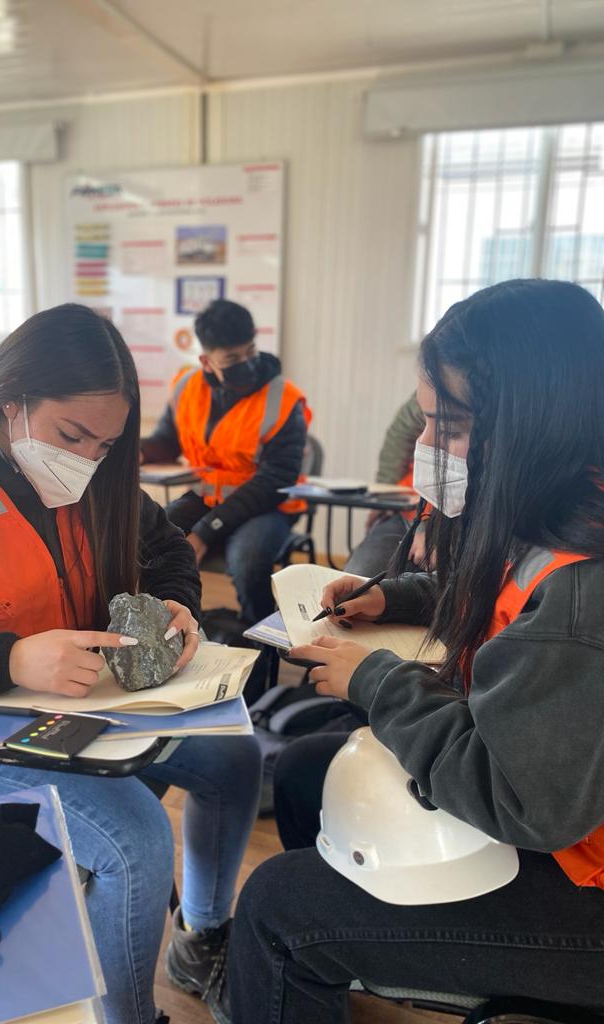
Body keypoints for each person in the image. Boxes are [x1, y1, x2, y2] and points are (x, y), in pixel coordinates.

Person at [0, 304, 260, 1024]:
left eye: (106, 443)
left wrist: (171, 601)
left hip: (68, 700)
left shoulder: (95, 468)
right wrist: (9, 658)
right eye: (72, 436)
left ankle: (203, 937)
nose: (87, 459)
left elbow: (162, 548)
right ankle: (129, 1016)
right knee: (132, 841)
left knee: (233, 759)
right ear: (12, 399)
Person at [223, 279, 604, 1023]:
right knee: (306, 770)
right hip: (554, 815)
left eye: (452, 427)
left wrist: (377, 682)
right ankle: (343, 973)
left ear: (541, 423)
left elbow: (519, 800)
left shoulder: (584, 589)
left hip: (578, 877)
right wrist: (394, 597)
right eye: (428, 421)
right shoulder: (560, 506)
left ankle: (318, 958)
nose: (426, 448)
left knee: (277, 909)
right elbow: (498, 590)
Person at [141, 299, 310, 624]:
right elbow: (167, 440)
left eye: (250, 351)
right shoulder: (187, 388)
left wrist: (207, 531)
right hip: (208, 499)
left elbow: (275, 480)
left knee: (248, 560)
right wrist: (140, 451)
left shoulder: (284, 399)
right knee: (156, 538)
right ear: (206, 360)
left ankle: (263, 644)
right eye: (232, 358)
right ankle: (183, 629)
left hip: (266, 506)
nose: (246, 363)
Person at [344, 392, 426, 576]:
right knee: (355, 581)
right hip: (406, 512)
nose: (425, 442)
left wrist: (429, 527)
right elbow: (400, 436)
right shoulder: (432, 383)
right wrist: (384, 499)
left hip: (459, 528)